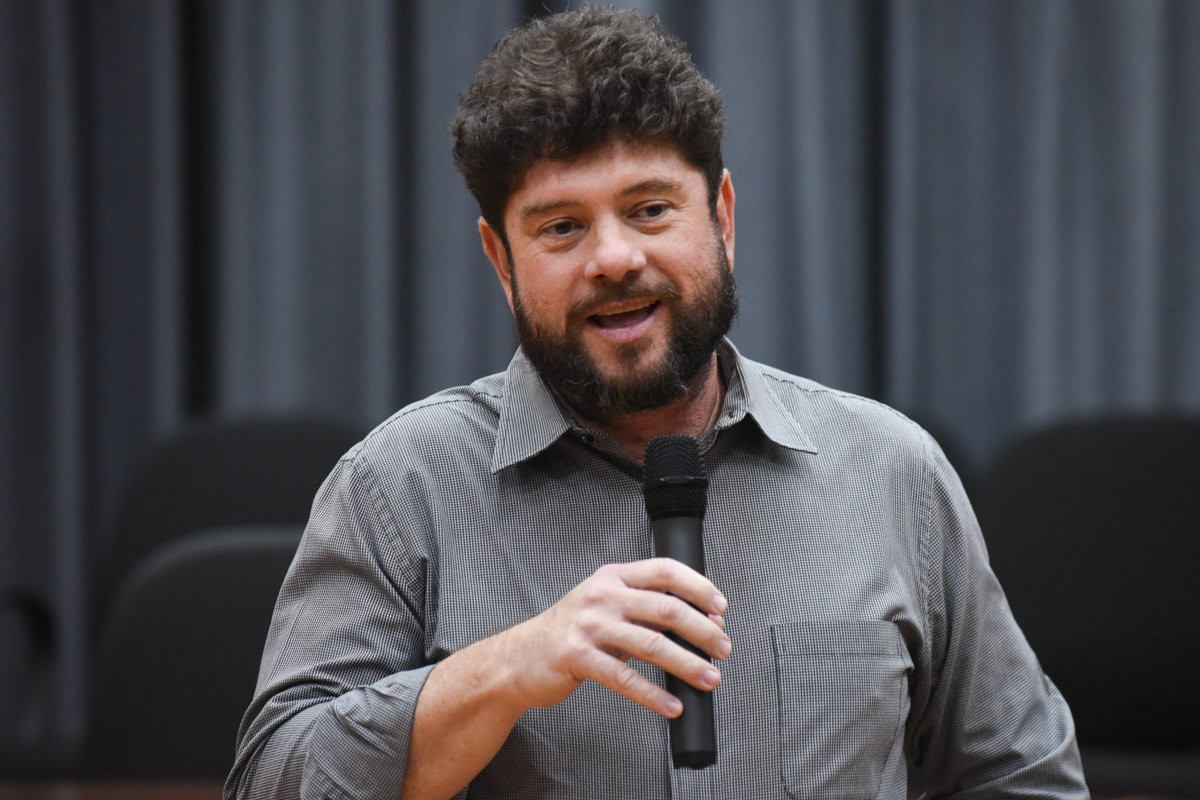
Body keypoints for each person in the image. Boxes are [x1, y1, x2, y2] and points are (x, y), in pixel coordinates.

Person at [225, 7, 1087, 799]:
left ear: (722, 218)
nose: (612, 258)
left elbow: (1025, 779)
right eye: (561, 227)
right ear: (500, 260)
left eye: (648, 209)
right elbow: (271, 781)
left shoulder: (891, 472)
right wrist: (505, 669)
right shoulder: (399, 485)